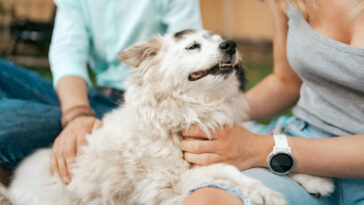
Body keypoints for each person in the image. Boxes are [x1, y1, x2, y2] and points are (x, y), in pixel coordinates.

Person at [180, 0, 364, 204]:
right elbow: (285, 83)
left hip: (291, 150)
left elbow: (259, 148)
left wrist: (260, 148)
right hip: (303, 143)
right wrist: (207, 120)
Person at [0, 0, 202, 186]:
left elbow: (189, 59)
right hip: (88, 97)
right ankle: (62, 123)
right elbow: (68, 54)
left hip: (136, 109)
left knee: (5, 120)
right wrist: (77, 113)